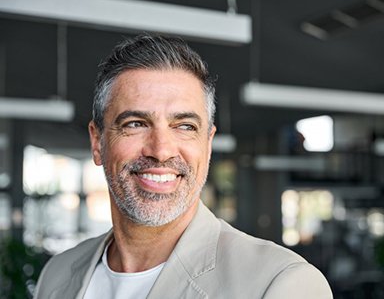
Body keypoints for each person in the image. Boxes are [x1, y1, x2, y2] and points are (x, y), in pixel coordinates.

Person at [34, 34, 332, 298]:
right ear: (97, 142)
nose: (161, 151)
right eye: (135, 123)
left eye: (185, 126)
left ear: (208, 143)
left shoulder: (281, 283)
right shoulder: (57, 274)